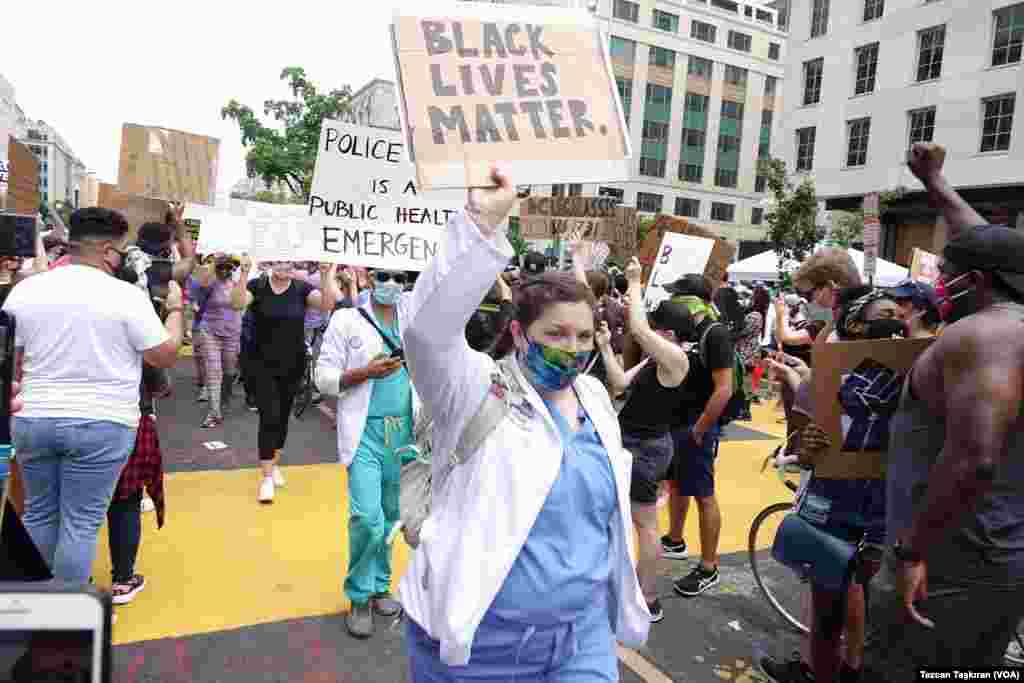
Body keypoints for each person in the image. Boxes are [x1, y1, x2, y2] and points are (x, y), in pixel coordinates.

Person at [399, 168, 649, 678]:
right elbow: (426, 335)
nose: (573, 348)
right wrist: (481, 224)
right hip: (480, 647)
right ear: (517, 332)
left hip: (580, 640)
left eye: (583, 336)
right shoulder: (473, 389)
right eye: (555, 332)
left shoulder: (596, 397)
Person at [860, 144, 1024, 679]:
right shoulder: (1010, 318)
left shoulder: (988, 336)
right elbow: (992, 248)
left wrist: (912, 552)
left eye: (945, 272)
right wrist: (935, 181)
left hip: (952, 565)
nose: (936, 282)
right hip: (995, 558)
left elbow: (975, 457)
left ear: (974, 282)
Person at [3, 207, 183, 584]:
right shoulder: (125, 295)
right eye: (120, 252)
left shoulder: (27, 289)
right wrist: (177, 311)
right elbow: (162, 354)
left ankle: (29, 610)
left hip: (34, 417)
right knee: (80, 524)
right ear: (105, 250)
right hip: (102, 421)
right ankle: (64, 620)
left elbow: (9, 356)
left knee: (38, 514)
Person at [759, 287, 906, 683]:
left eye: (901, 314)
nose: (897, 321)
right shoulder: (824, 378)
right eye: (887, 313)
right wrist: (808, 447)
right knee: (827, 613)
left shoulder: (918, 374)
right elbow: (803, 454)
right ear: (856, 324)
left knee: (876, 613)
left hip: (885, 513)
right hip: (833, 508)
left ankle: (851, 669)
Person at [316, 268, 415, 639]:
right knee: (366, 518)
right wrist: (364, 373)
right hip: (365, 436)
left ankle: (379, 585)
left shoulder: (414, 317)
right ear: (369, 277)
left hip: (404, 434)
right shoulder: (346, 319)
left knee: (391, 519)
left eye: (399, 276)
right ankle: (358, 595)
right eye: (383, 275)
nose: (391, 282)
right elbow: (323, 377)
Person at [598, 263, 690, 624]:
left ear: (666, 331)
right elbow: (619, 383)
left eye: (655, 326)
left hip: (646, 449)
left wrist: (635, 281)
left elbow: (636, 327)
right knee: (628, 521)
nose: (647, 330)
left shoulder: (677, 359)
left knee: (646, 526)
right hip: (632, 444)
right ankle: (631, 590)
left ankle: (649, 598)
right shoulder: (659, 357)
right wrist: (606, 347)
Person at [647, 274, 733, 598]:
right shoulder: (687, 331)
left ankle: (709, 566)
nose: (672, 301)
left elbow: (724, 389)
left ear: (692, 299)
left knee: (703, 494)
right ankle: (675, 538)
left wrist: (701, 428)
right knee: (678, 484)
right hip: (677, 425)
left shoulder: (715, 333)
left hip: (698, 428)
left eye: (677, 296)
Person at [231, 259, 338, 504]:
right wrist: (245, 273)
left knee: (281, 418)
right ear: (270, 264)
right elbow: (237, 303)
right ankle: (266, 477)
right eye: (279, 262)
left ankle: (274, 462)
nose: (284, 267)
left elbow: (327, 305)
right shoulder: (258, 286)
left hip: (293, 363)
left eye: (289, 262)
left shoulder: (301, 288)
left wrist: (325, 275)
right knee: (268, 416)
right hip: (260, 363)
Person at [193, 254, 243, 428]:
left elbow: (241, 303)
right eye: (221, 267)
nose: (225, 271)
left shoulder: (238, 282)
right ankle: (214, 412)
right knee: (214, 370)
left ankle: (225, 396)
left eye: (228, 267)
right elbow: (200, 288)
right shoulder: (209, 281)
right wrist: (215, 263)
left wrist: (242, 273)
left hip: (232, 332)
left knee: (229, 370)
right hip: (210, 330)